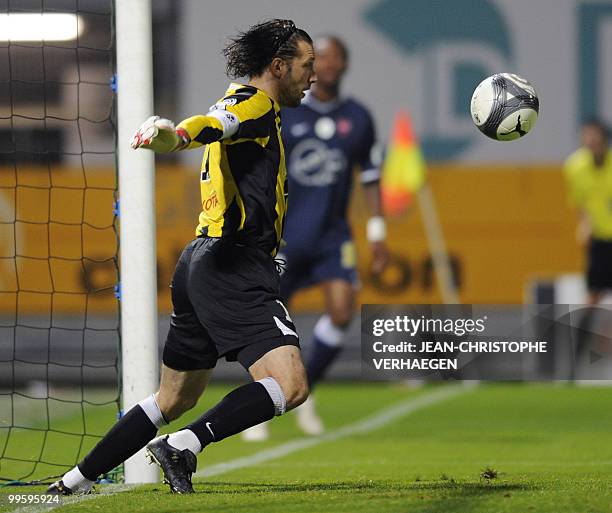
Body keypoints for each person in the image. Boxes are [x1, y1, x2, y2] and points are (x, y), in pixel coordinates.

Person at [47, 19, 316, 495]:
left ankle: (73, 481)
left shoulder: (244, 102)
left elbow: (214, 126)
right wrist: (174, 136)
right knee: (290, 384)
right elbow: (210, 126)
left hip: (198, 262)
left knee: (174, 396)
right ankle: (184, 446)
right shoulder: (252, 104)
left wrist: (176, 138)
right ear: (278, 66)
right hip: (233, 264)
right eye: (306, 66)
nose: (311, 76)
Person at [243, 36, 388, 441]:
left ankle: (306, 393)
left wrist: (377, 233)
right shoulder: (284, 113)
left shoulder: (358, 117)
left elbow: (372, 177)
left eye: (333, 57)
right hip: (285, 236)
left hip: (333, 235)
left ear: (343, 65)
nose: (325, 64)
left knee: (343, 310)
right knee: (265, 325)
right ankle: (259, 406)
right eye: (317, 58)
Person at [563, 119, 612, 371]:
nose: (591, 141)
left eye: (595, 136)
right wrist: (584, 223)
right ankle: (573, 364)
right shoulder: (575, 167)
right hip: (601, 242)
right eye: (586, 136)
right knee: (592, 298)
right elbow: (579, 202)